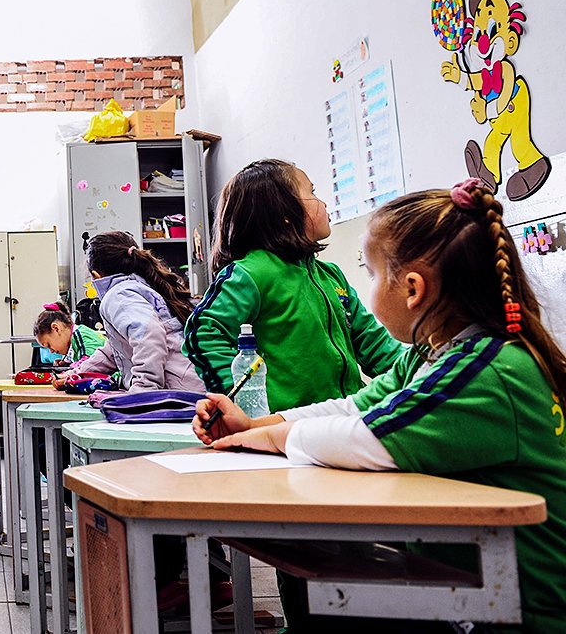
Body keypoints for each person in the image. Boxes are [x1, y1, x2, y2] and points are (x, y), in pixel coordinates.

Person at [194, 179, 566, 632]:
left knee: (331, 592)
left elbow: (365, 435)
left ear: (412, 289)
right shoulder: (435, 352)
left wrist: (269, 437)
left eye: (370, 274)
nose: (365, 288)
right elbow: (357, 406)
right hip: (477, 584)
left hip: (523, 613)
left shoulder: (483, 371)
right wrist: (253, 425)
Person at [184, 159, 403, 409]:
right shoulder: (251, 274)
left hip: (340, 416)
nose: (323, 202)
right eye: (312, 192)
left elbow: (372, 342)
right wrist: (242, 402)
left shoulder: (330, 276)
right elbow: (202, 332)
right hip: (284, 425)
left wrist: (418, 374)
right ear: (284, 213)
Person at [71, 231, 204, 393]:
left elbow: (149, 335)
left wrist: (142, 390)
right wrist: (78, 374)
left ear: (96, 276)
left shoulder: (118, 295)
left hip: (177, 393)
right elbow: (116, 349)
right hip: (190, 386)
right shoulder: (142, 286)